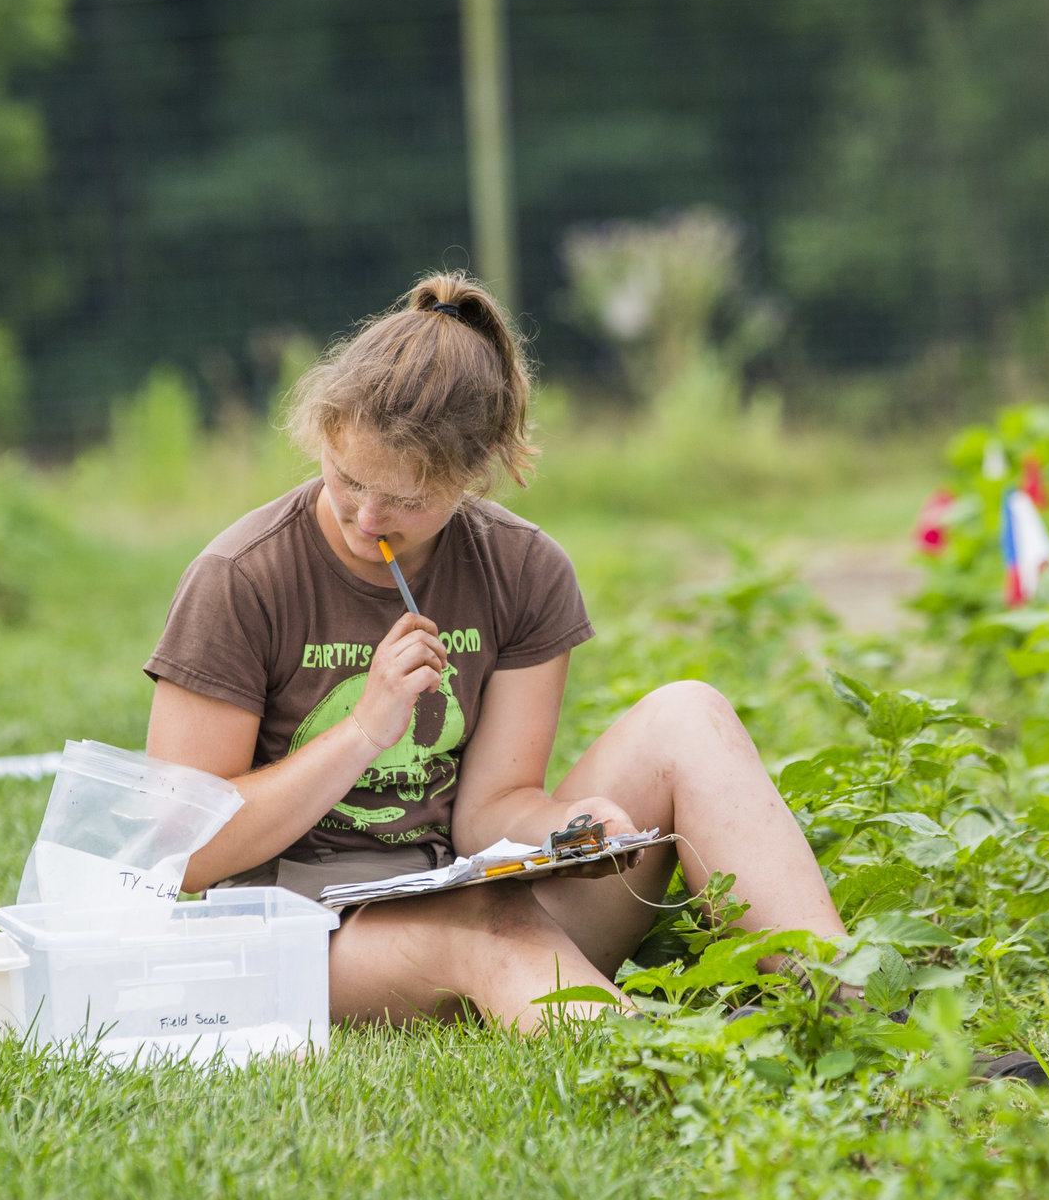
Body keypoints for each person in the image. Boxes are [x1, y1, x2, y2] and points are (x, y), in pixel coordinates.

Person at [142, 272, 846, 1032]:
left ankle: (856, 1008)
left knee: (689, 715)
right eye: (346, 477)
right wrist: (364, 732)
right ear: (324, 432)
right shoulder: (240, 577)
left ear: (474, 475)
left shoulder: (520, 569)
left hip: (462, 886)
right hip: (298, 934)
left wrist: (572, 826)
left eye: (408, 501)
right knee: (489, 926)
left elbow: (488, 813)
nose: (366, 516)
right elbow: (179, 854)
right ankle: (681, 1083)